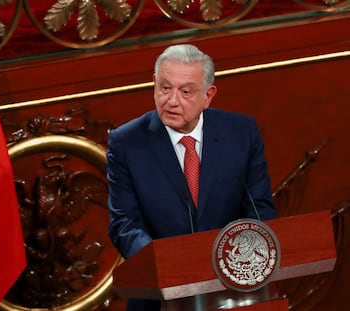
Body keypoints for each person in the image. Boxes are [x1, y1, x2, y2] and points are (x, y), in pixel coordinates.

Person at [106, 44, 276, 311]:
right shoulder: (126, 143)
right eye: (164, 88)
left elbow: (260, 210)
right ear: (153, 84)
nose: (172, 100)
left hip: (233, 292)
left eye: (185, 92)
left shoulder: (241, 133)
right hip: (159, 297)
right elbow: (124, 225)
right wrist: (167, 265)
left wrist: (237, 261)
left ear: (208, 96)